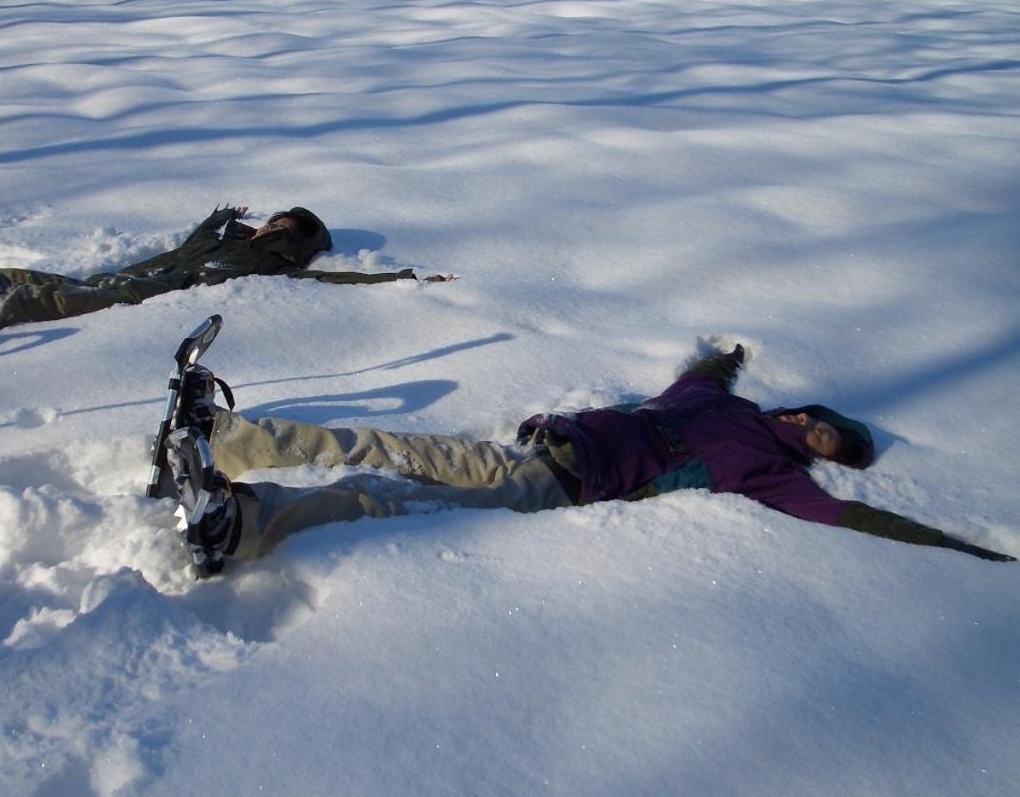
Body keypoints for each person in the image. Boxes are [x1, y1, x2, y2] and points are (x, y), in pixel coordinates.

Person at [165, 344, 1015, 568]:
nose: (816, 431)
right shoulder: (715, 399)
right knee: (390, 446)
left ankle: (241, 523)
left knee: (383, 497)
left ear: (827, 451)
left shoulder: (772, 472)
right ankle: (227, 440)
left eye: (832, 441)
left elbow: (849, 514)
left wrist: (958, 544)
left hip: (566, 490)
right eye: (823, 423)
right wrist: (731, 348)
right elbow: (703, 368)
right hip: (539, 449)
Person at [0, 206, 449, 358]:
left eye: (282, 226)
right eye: (274, 217)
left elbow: (347, 284)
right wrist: (219, 218)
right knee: (7, 275)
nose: (270, 224)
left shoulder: (272, 267)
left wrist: (405, 277)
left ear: (295, 242)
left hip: (126, 296)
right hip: (117, 276)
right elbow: (188, 247)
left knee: (26, 299)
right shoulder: (230, 240)